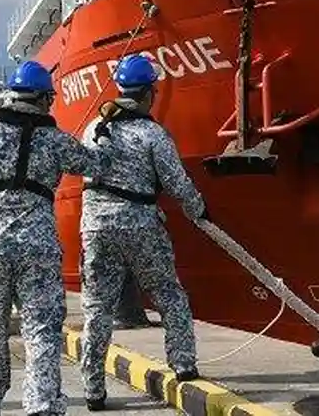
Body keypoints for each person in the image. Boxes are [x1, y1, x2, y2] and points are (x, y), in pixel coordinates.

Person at [0, 60, 108, 416]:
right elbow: (97, 165)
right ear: (44, 98)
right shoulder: (56, 140)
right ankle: (42, 403)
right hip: (38, 246)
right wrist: (103, 136)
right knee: (41, 328)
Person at [79, 54, 209, 411]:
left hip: (96, 227)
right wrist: (198, 208)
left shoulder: (93, 128)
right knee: (169, 294)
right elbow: (175, 182)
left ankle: (92, 390)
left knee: (97, 308)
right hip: (140, 225)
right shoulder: (152, 133)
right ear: (149, 93)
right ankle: (182, 365)